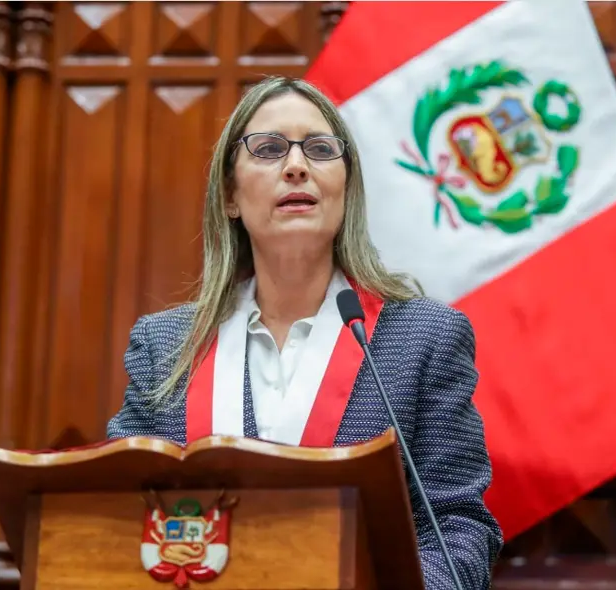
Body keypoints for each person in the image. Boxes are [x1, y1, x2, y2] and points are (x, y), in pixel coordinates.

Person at [107, 76, 503, 588]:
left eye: (319, 149)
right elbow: (120, 514)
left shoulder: (424, 339)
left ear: (346, 188)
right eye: (269, 149)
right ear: (230, 194)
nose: (296, 166)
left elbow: (458, 528)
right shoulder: (165, 347)